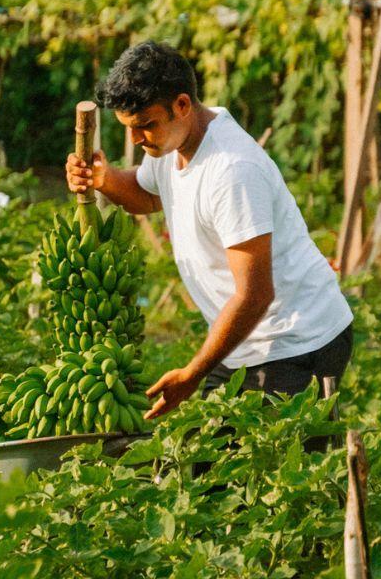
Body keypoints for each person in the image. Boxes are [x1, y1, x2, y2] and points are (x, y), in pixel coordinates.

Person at [65, 41, 353, 422]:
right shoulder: (173, 142)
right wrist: (104, 179)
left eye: (145, 126)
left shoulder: (233, 171)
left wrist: (193, 373)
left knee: (267, 471)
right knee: (211, 469)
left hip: (295, 341)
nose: (136, 140)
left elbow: (255, 294)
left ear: (182, 105)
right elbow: (146, 196)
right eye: (129, 129)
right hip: (249, 339)